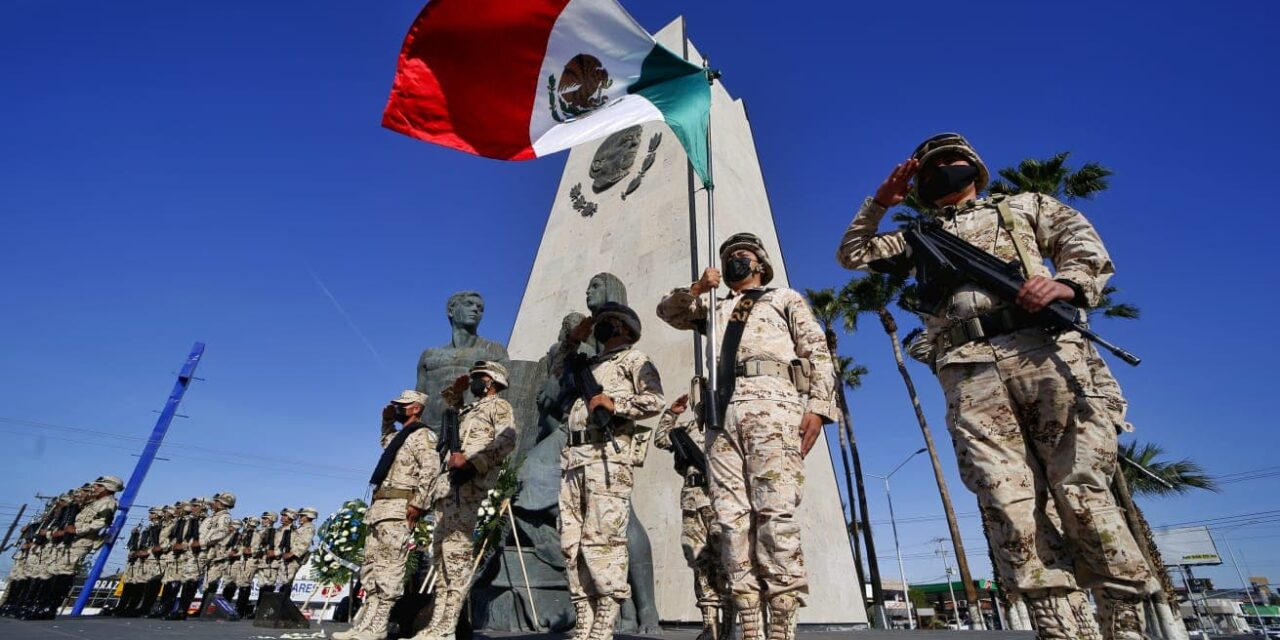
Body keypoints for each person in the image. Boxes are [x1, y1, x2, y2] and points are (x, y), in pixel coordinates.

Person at [836, 132, 1150, 640]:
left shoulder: (1023, 206)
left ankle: (1126, 627)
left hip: (1044, 351)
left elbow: (1081, 243)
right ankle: (1062, 631)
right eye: (931, 168)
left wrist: (1065, 283)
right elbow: (852, 253)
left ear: (975, 169)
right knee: (1007, 502)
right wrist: (880, 202)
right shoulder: (917, 237)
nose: (942, 171)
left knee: (1083, 490)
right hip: (970, 370)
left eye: (951, 161)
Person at [658, 232, 836, 640]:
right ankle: (750, 624)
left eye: (743, 254)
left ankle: (781, 625)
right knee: (730, 519)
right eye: (729, 255)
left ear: (760, 263)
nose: (736, 259)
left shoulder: (783, 298)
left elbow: (817, 352)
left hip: (773, 406)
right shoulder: (712, 308)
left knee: (774, 512)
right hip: (721, 415)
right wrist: (700, 287)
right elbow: (668, 311)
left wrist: (819, 407)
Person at [556, 302, 664, 640]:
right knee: (571, 542)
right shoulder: (584, 366)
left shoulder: (633, 359)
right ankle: (584, 615)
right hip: (574, 459)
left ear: (626, 328)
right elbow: (556, 374)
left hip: (607, 457)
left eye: (609, 322)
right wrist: (572, 342)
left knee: (604, 539)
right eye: (599, 322)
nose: (602, 326)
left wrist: (615, 405)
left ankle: (605, 617)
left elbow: (655, 400)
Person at [413, 361, 520, 640]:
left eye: (478, 377)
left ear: (492, 381)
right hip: (448, 488)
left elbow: (507, 441)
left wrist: (474, 464)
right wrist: (456, 392)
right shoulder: (469, 410)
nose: (473, 381)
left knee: (457, 556)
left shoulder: (499, 407)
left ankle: (447, 627)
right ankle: (437, 624)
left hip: (469, 485)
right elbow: (451, 414)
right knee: (441, 557)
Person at [334, 390, 440, 640]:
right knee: (370, 569)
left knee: (389, 570)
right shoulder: (400, 436)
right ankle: (365, 624)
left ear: (416, 408)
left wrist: (420, 504)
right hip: (379, 509)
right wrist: (386, 420)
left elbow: (431, 470)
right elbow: (386, 441)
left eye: (403, 405)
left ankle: (379, 625)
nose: (398, 408)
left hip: (399, 509)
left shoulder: (422, 435)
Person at [654, 393, 728, 640]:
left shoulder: (728, 427)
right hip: (692, 501)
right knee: (699, 562)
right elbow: (661, 439)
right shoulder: (686, 429)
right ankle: (710, 626)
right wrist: (672, 413)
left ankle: (728, 625)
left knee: (726, 562)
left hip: (721, 501)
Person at [194, 492, 236, 617]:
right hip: (204, 552)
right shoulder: (212, 517)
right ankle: (200, 609)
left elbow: (222, 533)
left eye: (217, 501)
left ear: (223, 504)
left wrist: (203, 542)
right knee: (197, 581)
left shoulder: (225, 518)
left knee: (210, 584)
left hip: (215, 554)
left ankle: (204, 610)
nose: (214, 503)